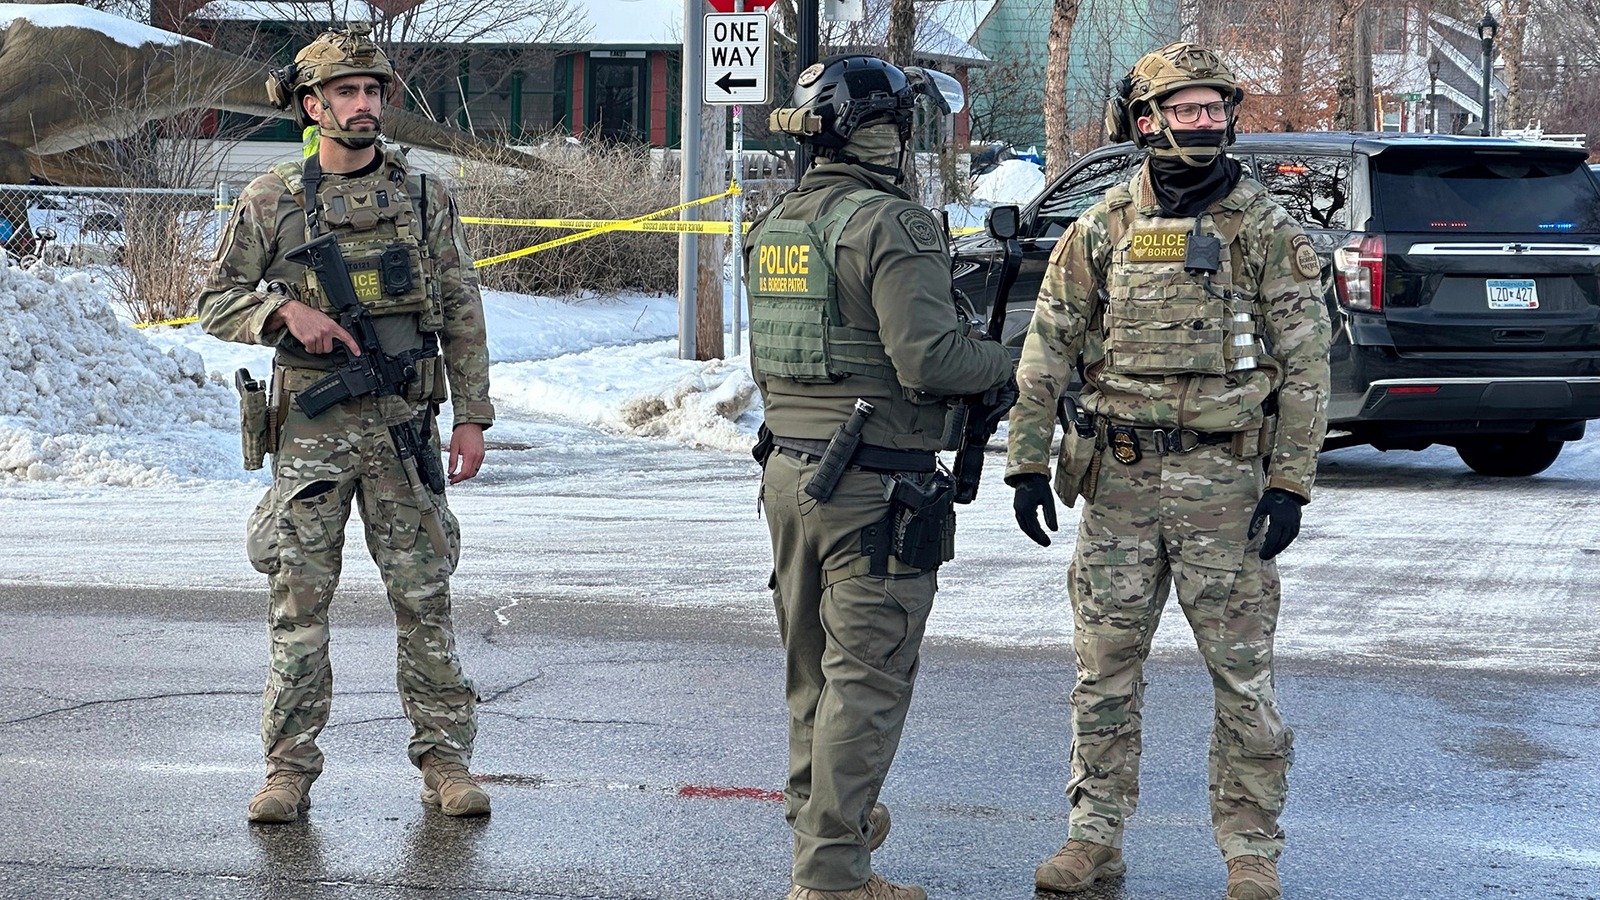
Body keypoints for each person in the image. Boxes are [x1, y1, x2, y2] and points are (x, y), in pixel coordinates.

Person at [1005, 42, 1332, 900]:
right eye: (1185, 108)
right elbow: (1047, 345)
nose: (1204, 121)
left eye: (1214, 107)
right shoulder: (1105, 224)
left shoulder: (1265, 229)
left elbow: (1306, 366)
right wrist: (1026, 461)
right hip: (1119, 482)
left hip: (1227, 486)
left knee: (1243, 679)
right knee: (1102, 671)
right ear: (1146, 121)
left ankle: (1251, 851)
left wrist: (1290, 482)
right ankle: (1092, 837)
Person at [196, 25, 495, 824]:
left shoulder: (425, 196)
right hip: (312, 431)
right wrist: (282, 312)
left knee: (425, 599)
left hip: (404, 424)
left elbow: (461, 306)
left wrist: (472, 417)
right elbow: (214, 300)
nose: (363, 104)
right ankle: (287, 770)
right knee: (298, 604)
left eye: (372, 91)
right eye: (346, 91)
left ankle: (445, 762)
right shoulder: (271, 199)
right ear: (312, 105)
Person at [747, 54, 1016, 900]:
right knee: (865, 682)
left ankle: (829, 827)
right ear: (880, 133)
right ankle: (831, 874)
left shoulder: (778, 220)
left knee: (813, 675)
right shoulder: (891, 223)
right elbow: (929, 358)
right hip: (874, 486)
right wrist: (1010, 362)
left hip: (789, 473)